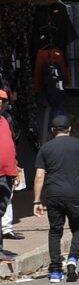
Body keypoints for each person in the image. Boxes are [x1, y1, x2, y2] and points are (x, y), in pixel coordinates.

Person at [32, 115, 79, 283]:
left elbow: (39, 176)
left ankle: (55, 270)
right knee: (78, 228)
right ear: (69, 129)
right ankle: (72, 258)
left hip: (53, 195)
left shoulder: (45, 148)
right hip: (74, 194)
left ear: (52, 131)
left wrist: (37, 200)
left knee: (55, 231)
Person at [0, 91, 17, 262]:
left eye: (3, 100)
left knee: (1, 209)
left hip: (7, 174)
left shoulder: (5, 121)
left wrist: (15, 166)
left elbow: (9, 144)